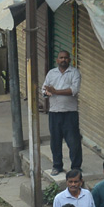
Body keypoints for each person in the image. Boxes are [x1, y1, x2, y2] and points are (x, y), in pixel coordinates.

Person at [43, 49, 82, 177]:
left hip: (70, 113)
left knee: (73, 141)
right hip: (54, 112)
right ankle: (57, 166)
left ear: (69, 60)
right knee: (55, 141)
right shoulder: (51, 73)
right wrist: (47, 92)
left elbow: (73, 90)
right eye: (61, 58)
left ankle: (76, 167)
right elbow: (44, 89)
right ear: (57, 60)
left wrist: (55, 91)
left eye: (66, 58)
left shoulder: (74, 73)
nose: (63, 60)